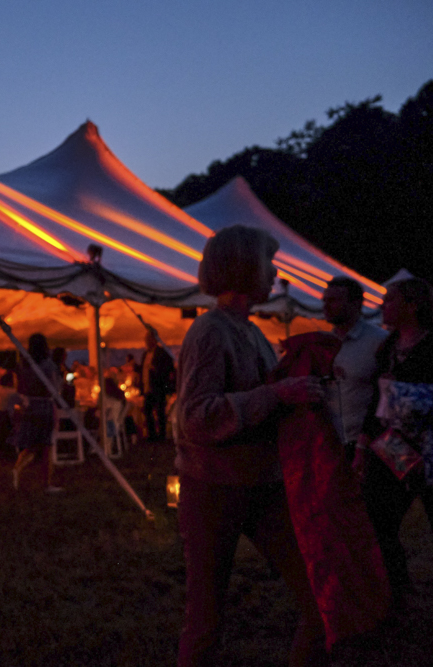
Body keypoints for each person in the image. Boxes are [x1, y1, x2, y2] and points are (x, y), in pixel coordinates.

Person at [175, 225, 328, 667]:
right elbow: (197, 417)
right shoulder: (209, 333)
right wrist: (277, 395)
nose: (276, 271)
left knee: (320, 595)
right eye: (268, 262)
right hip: (213, 490)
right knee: (205, 619)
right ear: (245, 268)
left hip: (261, 485)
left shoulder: (252, 332)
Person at [353, 277, 433, 607]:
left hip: (428, 449)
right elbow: (377, 401)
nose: (382, 306)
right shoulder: (387, 348)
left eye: (389, 299)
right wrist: (363, 444)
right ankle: (396, 592)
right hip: (392, 447)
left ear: (412, 305)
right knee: (379, 520)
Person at [323, 277, 388, 461]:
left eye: (333, 300)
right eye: (324, 301)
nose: (326, 306)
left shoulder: (380, 341)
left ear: (356, 304)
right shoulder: (323, 343)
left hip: (367, 445)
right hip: (330, 443)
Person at [12, 333, 62, 493]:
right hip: (45, 405)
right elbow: (55, 388)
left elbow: (19, 387)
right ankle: (46, 483)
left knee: (31, 444)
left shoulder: (24, 365)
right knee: (47, 446)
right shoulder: (48, 365)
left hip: (30, 405)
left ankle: (17, 468)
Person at [140, 327, 175, 441]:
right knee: (148, 411)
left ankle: (162, 435)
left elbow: (169, 368)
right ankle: (152, 435)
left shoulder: (162, 352)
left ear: (154, 339)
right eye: (146, 339)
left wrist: (157, 370)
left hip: (158, 387)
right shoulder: (145, 354)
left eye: (148, 339)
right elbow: (142, 371)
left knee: (160, 412)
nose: (146, 341)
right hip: (147, 388)